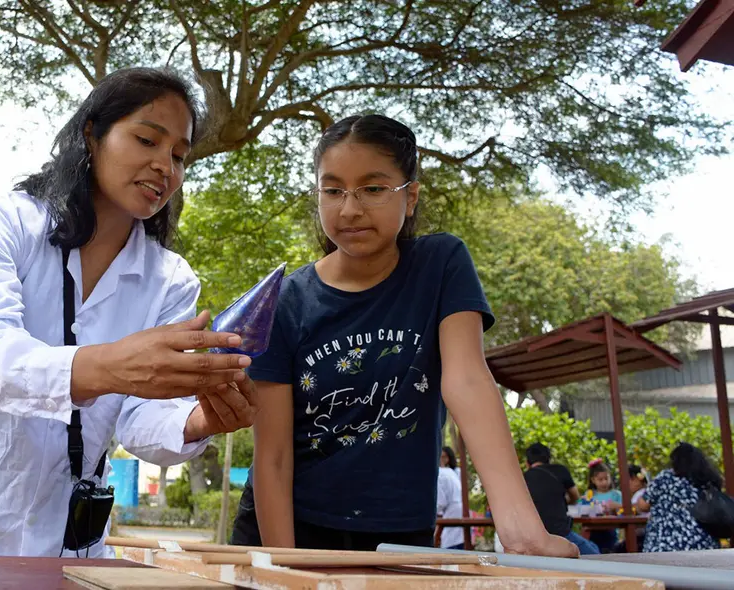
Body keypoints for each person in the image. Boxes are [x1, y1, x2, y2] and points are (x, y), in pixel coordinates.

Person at [0, 67, 257, 558]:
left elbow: (141, 421)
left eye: (179, 156)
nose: (165, 166)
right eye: (147, 139)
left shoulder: (171, 280)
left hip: (65, 543)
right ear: (91, 135)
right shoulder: (6, 222)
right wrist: (112, 365)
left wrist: (199, 421)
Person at [229, 114, 577, 557]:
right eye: (332, 190)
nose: (350, 208)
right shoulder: (286, 301)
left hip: (399, 535)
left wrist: (522, 531)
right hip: (291, 530)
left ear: (410, 196)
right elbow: (273, 458)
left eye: (373, 189)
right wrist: (285, 568)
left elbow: (467, 380)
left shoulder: (441, 264)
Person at [638, 443, 721, 553]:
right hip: (705, 546)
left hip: (664, 547)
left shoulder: (666, 477)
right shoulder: (708, 480)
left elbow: (643, 505)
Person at [521, 443, 598, 555]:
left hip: (532, 537)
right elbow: (575, 496)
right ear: (548, 459)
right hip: (560, 532)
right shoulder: (560, 471)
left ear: (527, 463)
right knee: (596, 553)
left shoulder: (523, 477)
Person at [581, 458, 623, 553]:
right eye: (600, 479)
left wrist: (617, 507)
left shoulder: (616, 494)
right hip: (592, 531)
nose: (604, 482)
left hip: (610, 531)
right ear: (593, 480)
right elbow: (582, 510)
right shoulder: (589, 494)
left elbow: (623, 511)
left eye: (606, 478)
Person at [436, 446, 464, 549]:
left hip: (451, 516)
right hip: (459, 513)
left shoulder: (440, 474)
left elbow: (440, 503)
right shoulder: (451, 472)